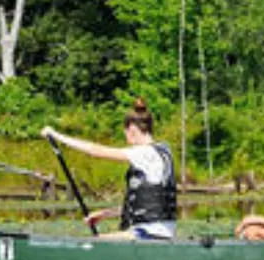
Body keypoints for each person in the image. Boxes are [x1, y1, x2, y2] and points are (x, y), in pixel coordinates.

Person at [40, 97, 177, 240]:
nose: (127, 141)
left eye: (126, 135)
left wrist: (55, 135)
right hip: (153, 232)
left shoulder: (145, 153)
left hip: (148, 234)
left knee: (94, 243)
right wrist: (105, 214)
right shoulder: (163, 150)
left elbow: (95, 151)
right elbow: (147, 206)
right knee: (98, 240)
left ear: (132, 129)